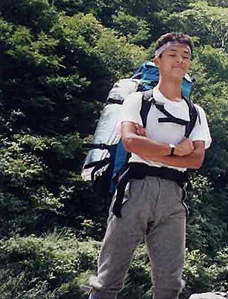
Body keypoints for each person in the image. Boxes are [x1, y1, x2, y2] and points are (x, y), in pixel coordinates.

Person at [86, 32, 212, 299]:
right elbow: (130, 141)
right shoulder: (138, 101)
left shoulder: (195, 112)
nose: (179, 60)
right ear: (157, 60)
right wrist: (174, 151)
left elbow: (197, 159)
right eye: (172, 55)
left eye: (185, 56)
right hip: (135, 190)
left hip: (174, 197)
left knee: (170, 283)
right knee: (108, 279)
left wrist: (152, 149)